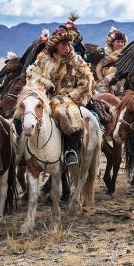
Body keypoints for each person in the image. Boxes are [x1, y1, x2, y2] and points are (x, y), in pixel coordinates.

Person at [26, 27, 94, 167]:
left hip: (69, 98)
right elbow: (33, 74)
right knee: (25, 112)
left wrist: (72, 94)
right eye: (64, 44)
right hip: (46, 96)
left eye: (69, 44)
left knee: (65, 112)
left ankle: (71, 151)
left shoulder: (77, 60)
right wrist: (46, 82)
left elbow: (86, 80)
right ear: (56, 46)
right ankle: (24, 152)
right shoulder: (44, 59)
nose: (68, 47)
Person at [95, 26, 128, 93]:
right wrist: (102, 79)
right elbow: (98, 69)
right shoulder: (105, 54)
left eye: (122, 42)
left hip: (121, 84)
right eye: (118, 41)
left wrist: (110, 77)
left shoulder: (127, 55)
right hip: (105, 83)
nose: (121, 44)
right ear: (112, 42)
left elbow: (126, 71)